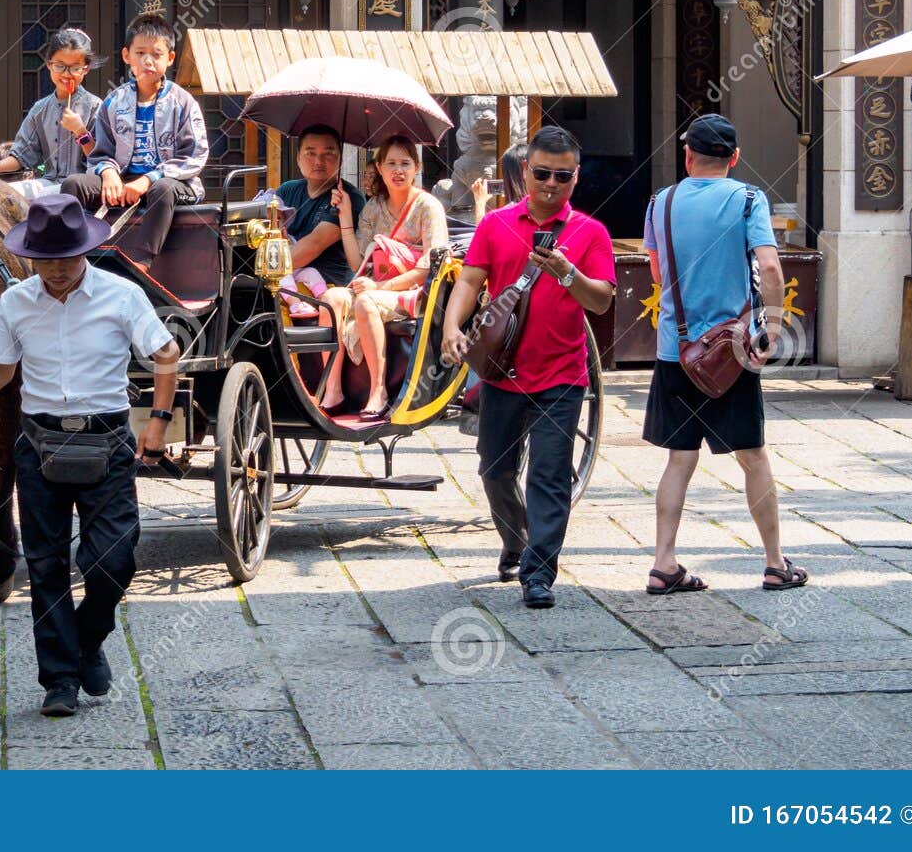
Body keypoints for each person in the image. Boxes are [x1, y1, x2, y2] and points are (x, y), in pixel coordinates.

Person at [0, 193, 179, 717]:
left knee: (113, 561)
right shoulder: (16, 301)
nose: (56, 270)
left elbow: (166, 353)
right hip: (40, 445)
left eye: (66, 258)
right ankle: (59, 679)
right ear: (31, 256)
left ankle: (85, 642)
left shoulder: (121, 296)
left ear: (84, 251)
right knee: (46, 565)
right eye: (46, 260)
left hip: (106, 443)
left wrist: (159, 422)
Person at [441, 126, 616, 609]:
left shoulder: (590, 232)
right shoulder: (495, 224)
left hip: (562, 375)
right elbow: (470, 280)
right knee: (495, 469)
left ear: (575, 178)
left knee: (549, 472)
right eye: (542, 173)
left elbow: (600, 301)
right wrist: (451, 327)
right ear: (525, 172)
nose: (551, 184)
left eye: (562, 176)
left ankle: (538, 573)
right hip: (502, 371)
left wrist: (569, 273)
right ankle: (517, 539)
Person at [639, 113, 808, 595]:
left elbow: (657, 274)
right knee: (753, 457)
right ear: (734, 159)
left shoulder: (661, 203)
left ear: (687, 155)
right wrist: (771, 328)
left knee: (679, 459)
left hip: (677, 351)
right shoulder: (749, 199)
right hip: (733, 353)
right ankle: (775, 564)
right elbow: (770, 269)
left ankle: (663, 562)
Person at [62, 15, 208, 272]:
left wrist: (148, 179)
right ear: (127, 56)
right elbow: (99, 153)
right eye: (140, 53)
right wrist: (108, 173)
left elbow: (194, 156)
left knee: (161, 189)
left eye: (156, 54)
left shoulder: (183, 103)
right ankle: (72, 253)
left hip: (173, 185)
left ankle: (141, 262)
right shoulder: (114, 102)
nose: (148, 60)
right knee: (74, 184)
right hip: (123, 182)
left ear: (170, 59)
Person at [320, 136, 449, 419]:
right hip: (373, 284)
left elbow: (431, 267)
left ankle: (378, 390)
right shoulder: (373, 207)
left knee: (366, 302)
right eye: (391, 163)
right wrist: (344, 216)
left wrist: (380, 286)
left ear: (416, 168)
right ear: (379, 167)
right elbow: (357, 263)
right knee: (330, 299)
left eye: (405, 163)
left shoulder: (428, 207)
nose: (398, 170)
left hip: (414, 291)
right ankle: (333, 389)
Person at [0, 28, 102, 188]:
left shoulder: (95, 106)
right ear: (49, 64)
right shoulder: (40, 110)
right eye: (60, 66)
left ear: (86, 69)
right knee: (6, 193)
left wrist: (80, 132)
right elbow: (22, 155)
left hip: (83, 187)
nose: (67, 74)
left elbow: (102, 159)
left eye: (75, 68)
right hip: (48, 182)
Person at [276, 125, 367, 288]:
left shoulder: (347, 197)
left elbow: (314, 245)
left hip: (327, 285)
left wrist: (268, 265)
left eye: (328, 153)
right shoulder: (286, 190)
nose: (318, 161)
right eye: (310, 153)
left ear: (340, 158)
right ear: (298, 157)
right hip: (286, 278)